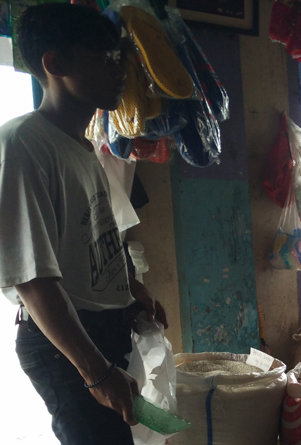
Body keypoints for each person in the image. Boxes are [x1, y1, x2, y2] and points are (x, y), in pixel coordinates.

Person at [0, 5, 168, 444]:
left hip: (103, 330)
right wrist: (95, 372)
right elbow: (31, 278)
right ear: (55, 64)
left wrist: (132, 290)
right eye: (105, 58)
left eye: (120, 58)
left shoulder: (83, 146)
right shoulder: (23, 144)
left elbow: (96, 236)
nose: (120, 71)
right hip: (65, 343)